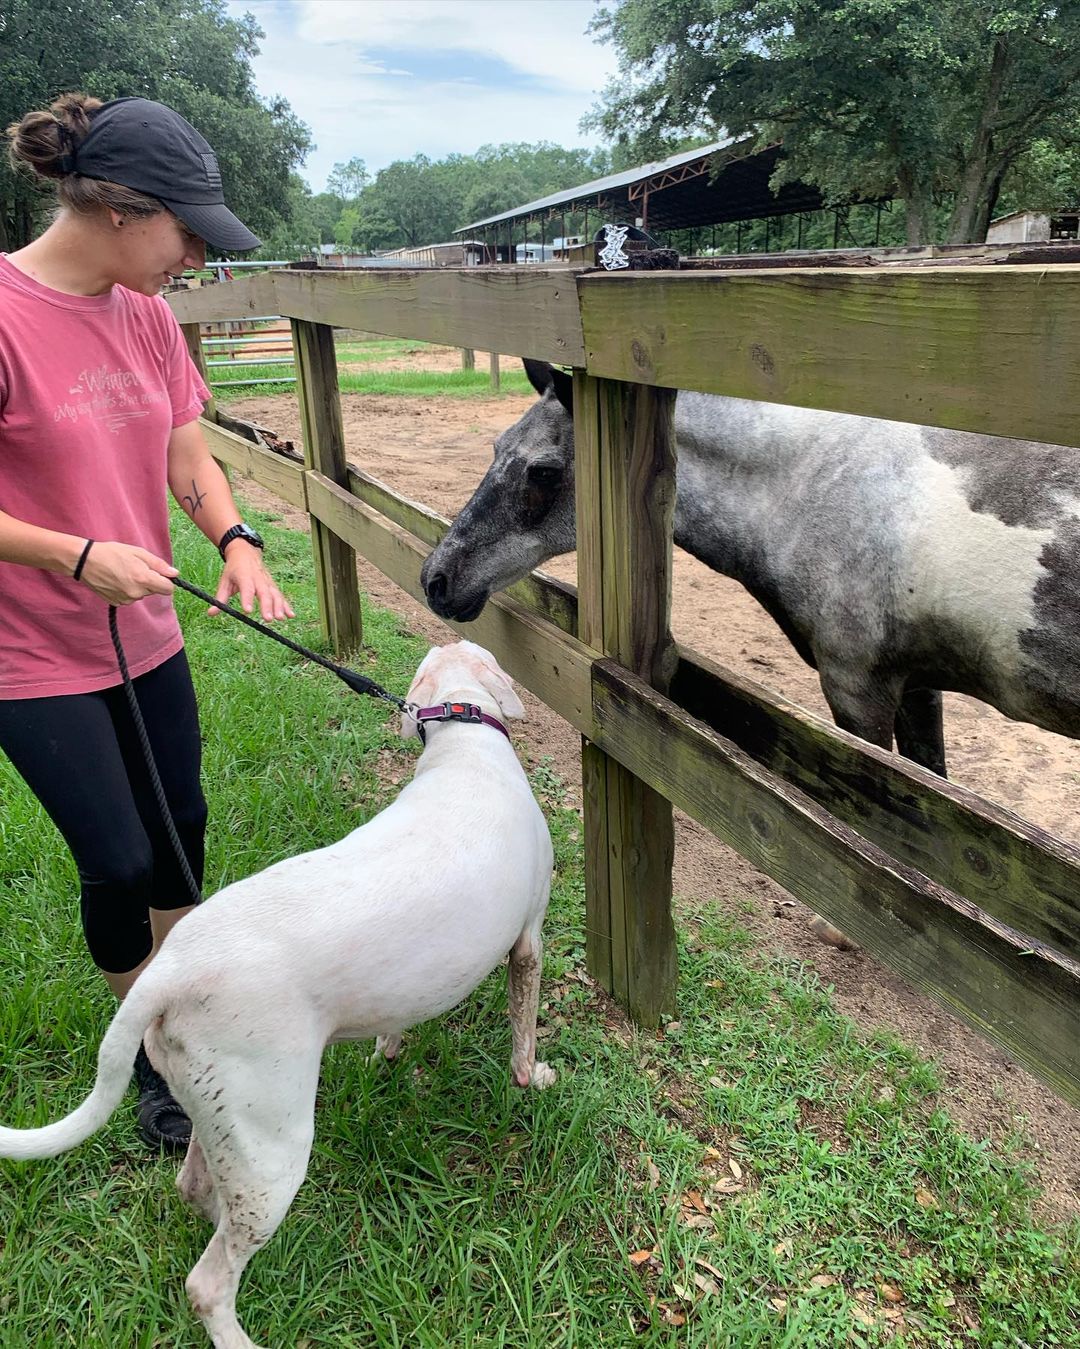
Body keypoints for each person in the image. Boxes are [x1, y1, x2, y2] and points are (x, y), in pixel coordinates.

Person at [0, 93, 295, 1151]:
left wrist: (236, 536)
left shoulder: (152, 319)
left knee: (182, 831)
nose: (197, 258)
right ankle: (146, 1044)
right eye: (190, 233)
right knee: (118, 859)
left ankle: (175, 1030)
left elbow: (185, 452)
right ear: (121, 211)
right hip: (27, 652)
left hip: (148, 633)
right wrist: (74, 552)